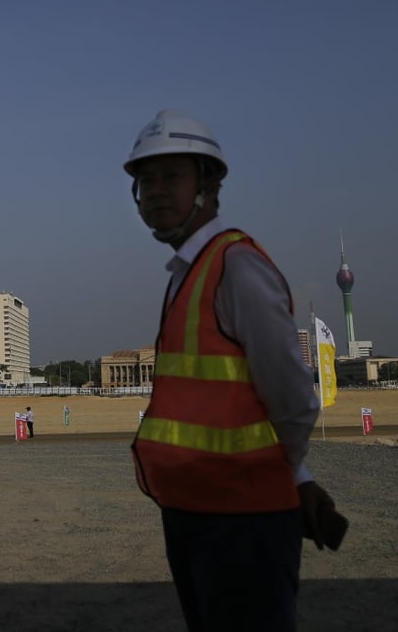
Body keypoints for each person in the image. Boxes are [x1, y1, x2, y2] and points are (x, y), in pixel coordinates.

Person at [125, 110, 344, 632]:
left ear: (210, 184)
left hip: (242, 519)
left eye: (171, 176)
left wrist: (289, 475)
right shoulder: (186, 273)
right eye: (145, 181)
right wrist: (299, 476)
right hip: (192, 513)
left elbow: (292, 397)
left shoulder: (237, 268)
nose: (155, 192)